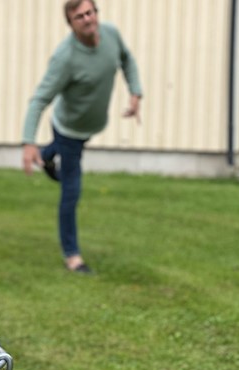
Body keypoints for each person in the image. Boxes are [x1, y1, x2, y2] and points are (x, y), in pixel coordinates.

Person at [20, 0, 143, 273]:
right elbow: (39, 99)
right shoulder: (65, 58)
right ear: (71, 24)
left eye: (90, 12)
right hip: (69, 128)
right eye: (79, 17)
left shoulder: (110, 34)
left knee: (59, 151)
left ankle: (47, 155)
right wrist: (28, 142)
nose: (87, 19)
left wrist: (135, 93)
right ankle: (72, 255)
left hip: (89, 126)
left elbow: (127, 59)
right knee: (71, 191)